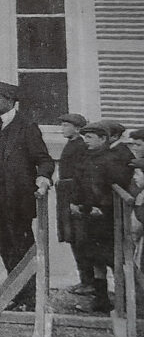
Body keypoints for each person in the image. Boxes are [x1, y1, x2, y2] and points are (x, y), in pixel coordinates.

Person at [0, 82, 54, 311]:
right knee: (6, 247)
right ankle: (17, 295)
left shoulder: (27, 127)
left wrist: (43, 178)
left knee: (22, 247)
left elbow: (44, 160)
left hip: (18, 201)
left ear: (10, 101)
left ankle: (30, 298)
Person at [71, 122, 132, 313]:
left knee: (112, 259)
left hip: (106, 217)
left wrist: (99, 206)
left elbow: (114, 186)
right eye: (85, 137)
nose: (86, 141)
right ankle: (101, 299)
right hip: (91, 215)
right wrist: (78, 203)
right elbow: (82, 184)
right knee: (95, 259)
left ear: (104, 139)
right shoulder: (91, 156)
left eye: (90, 137)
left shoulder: (112, 159)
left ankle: (126, 302)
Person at [54, 113, 91, 295]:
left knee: (80, 239)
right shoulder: (72, 144)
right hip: (66, 194)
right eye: (62, 125)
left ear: (77, 129)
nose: (63, 128)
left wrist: (75, 200)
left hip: (73, 196)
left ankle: (88, 282)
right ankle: (84, 280)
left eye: (66, 125)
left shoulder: (81, 146)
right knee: (73, 238)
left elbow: (81, 176)